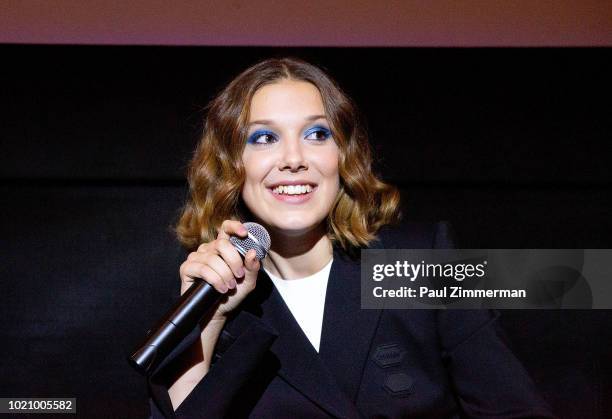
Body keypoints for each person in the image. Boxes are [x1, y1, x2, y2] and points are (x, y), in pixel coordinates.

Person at [146, 57, 555, 418]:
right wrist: (209, 320)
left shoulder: (419, 264)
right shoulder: (213, 295)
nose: (294, 159)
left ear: (343, 156)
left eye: (317, 134)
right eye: (264, 138)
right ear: (231, 166)